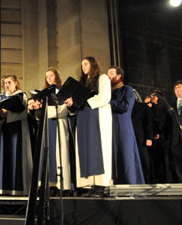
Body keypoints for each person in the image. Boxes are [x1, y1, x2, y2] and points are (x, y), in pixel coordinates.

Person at [65, 57, 112, 196]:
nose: (83, 67)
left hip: (97, 116)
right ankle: (91, 185)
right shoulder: (83, 83)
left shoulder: (102, 78)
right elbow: (77, 103)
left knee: (97, 148)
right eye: (82, 65)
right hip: (84, 116)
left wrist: (82, 101)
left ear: (93, 64)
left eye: (85, 64)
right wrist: (71, 103)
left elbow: (104, 97)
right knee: (85, 148)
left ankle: (101, 185)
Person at [0, 74, 33, 195]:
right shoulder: (0, 97)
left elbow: (24, 113)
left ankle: (20, 190)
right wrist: (0, 114)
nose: (6, 85)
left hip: (18, 129)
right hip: (5, 130)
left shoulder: (21, 95)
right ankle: (4, 190)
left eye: (9, 82)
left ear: (16, 83)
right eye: (4, 83)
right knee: (5, 158)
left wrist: (8, 113)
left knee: (18, 158)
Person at [107, 66, 144, 185]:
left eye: (111, 73)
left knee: (126, 155)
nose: (108, 76)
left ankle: (131, 183)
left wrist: (107, 102)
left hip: (123, 126)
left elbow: (125, 106)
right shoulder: (106, 91)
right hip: (109, 127)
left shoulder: (127, 89)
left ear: (119, 76)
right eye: (107, 74)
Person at [43, 68, 71, 195]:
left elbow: (64, 110)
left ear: (56, 77)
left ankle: (63, 185)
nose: (49, 78)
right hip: (48, 125)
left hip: (60, 124)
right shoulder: (45, 93)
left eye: (51, 75)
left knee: (61, 153)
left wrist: (46, 112)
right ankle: (51, 184)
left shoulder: (63, 91)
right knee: (50, 155)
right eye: (47, 76)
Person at [132, 92, 154, 183]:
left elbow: (149, 123)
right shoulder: (122, 107)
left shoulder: (143, 107)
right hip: (128, 138)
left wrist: (149, 137)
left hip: (141, 138)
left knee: (143, 158)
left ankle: (146, 180)